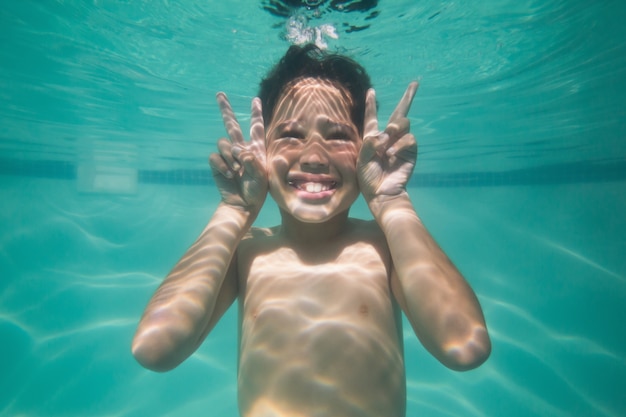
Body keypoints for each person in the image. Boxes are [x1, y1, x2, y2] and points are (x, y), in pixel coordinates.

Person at [132, 44, 491, 417]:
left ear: (365, 147)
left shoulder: (385, 249)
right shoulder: (246, 252)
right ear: (263, 149)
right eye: (290, 134)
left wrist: (392, 203)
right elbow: (154, 348)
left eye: (337, 135)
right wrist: (233, 212)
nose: (314, 156)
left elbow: (464, 346)